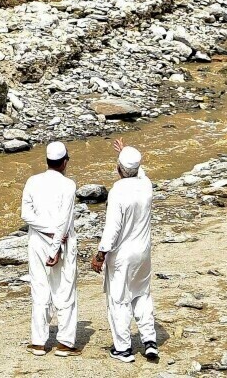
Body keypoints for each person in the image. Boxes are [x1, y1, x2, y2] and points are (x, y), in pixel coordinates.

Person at [93, 144, 157, 363]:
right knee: (142, 293)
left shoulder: (118, 191)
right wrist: (126, 153)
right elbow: (140, 171)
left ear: (118, 169)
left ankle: (123, 349)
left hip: (122, 255)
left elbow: (112, 230)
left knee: (119, 300)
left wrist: (100, 255)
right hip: (143, 252)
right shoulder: (146, 186)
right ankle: (149, 341)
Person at [21, 140, 80, 357]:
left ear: (46, 161)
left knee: (40, 289)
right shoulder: (69, 185)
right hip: (62, 243)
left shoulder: (32, 181)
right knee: (64, 290)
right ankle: (64, 343)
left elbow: (26, 215)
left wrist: (45, 231)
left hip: (37, 241)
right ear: (64, 162)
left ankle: (38, 342)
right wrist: (55, 244)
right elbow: (64, 221)